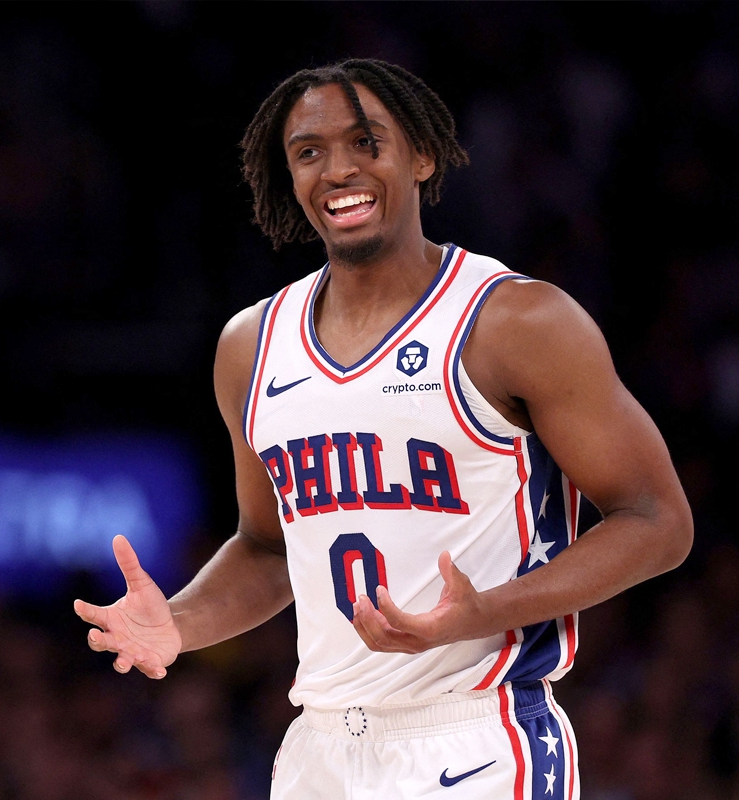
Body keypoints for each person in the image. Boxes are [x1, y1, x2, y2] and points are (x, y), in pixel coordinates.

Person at [73, 59, 692, 799]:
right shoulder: (251, 345)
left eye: (366, 142)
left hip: (476, 738)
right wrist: (178, 622)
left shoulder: (516, 321)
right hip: (319, 749)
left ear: (421, 155)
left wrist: (486, 612)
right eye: (309, 151)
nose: (338, 169)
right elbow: (268, 547)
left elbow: (657, 520)